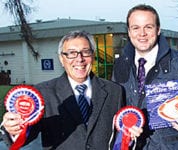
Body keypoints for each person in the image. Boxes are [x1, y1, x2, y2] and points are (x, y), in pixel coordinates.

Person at [1, 30, 142, 150]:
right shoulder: (42, 93)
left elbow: (120, 136)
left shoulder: (114, 91)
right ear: (62, 59)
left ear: (92, 56)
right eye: (71, 53)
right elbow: (26, 137)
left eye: (85, 52)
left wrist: (129, 136)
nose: (79, 59)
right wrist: (13, 129)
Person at [112, 4, 178, 150]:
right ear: (129, 32)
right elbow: (116, 109)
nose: (142, 33)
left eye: (148, 27)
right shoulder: (120, 64)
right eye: (136, 28)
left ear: (158, 30)